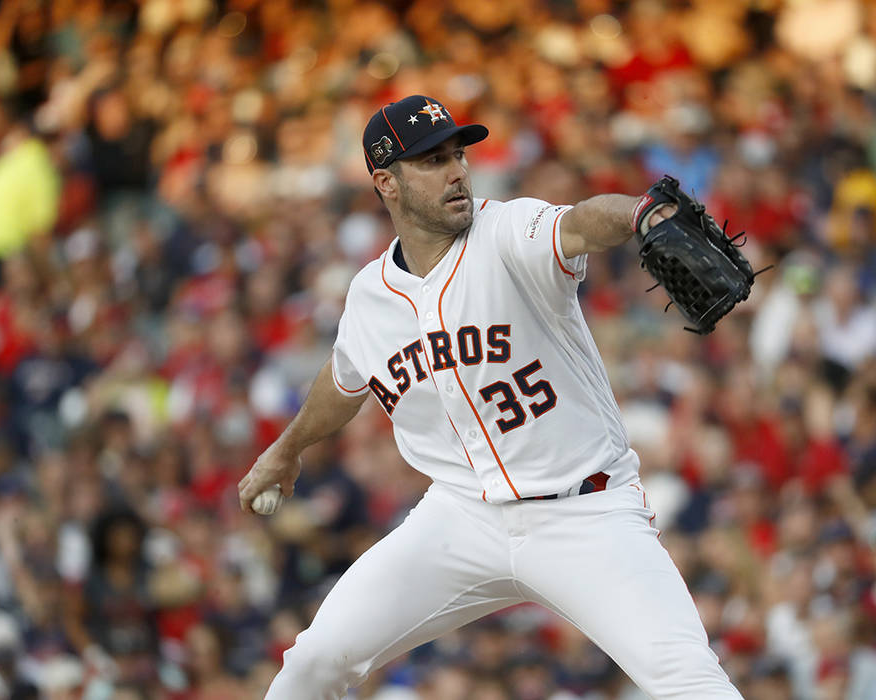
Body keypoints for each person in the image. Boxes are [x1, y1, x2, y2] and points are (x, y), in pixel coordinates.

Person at [238, 95, 743, 699]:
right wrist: (287, 448)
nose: (456, 170)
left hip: (584, 512)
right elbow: (346, 378)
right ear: (386, 183)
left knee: (689, 680)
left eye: (457, 153)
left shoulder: (508, 231)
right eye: (430, 160)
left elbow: (581, 221)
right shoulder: (370, 295)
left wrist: (640, 214)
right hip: (460, 518)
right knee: (313, 663)